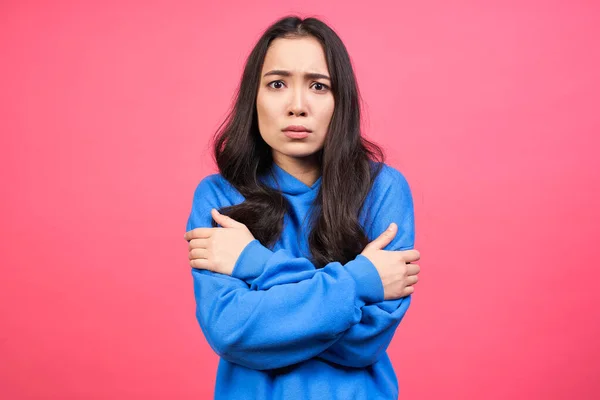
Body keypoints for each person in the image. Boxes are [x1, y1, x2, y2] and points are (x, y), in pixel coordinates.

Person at [183, 15, 421, 400]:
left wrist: (255, 265)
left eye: (318, 86)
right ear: (253, 97)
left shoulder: (383, 189)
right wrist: (360, 281)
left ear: (340, 99)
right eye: (277, 84)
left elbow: (365, 343)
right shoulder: (218, 197)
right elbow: (231, 331)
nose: (297, 105)